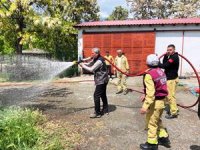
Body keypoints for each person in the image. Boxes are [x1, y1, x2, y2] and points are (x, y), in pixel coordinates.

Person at [140, 54, 170, 150]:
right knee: (157, 120)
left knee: (152, 123)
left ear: (147, 63)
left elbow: (151, 93)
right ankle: (163, 137)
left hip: (155, 102)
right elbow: (159, 86)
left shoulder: (149, 75)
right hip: (162, 101)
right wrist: (145, 94)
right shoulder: (161, 72)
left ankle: (152, 144)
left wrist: (145, 106)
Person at [79, 48, 109, 118]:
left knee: (96, 95)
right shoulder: (96, 58)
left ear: (97, 53)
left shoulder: (99, 61)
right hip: (103, 79)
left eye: (92, 53)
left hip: (102, 80)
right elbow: (90, 63)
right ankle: (105, 109)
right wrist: (82, 63)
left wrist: (83, 66)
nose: (91, 54)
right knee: (103, 95)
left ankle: (97, 113)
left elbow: (91, 69)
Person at [159, 44, 179, 119]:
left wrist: (156, 63)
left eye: (170, 50)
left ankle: (174, 112)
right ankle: (174, 109)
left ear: (174, 50)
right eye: (168, 50)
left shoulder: (174, 57)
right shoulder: (170, 56)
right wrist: (165, 56)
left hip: (172, 79)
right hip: (169, 78)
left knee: (170, 96)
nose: (168, 51)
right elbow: (165, 63)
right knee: (169, 95)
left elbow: (164, 66)